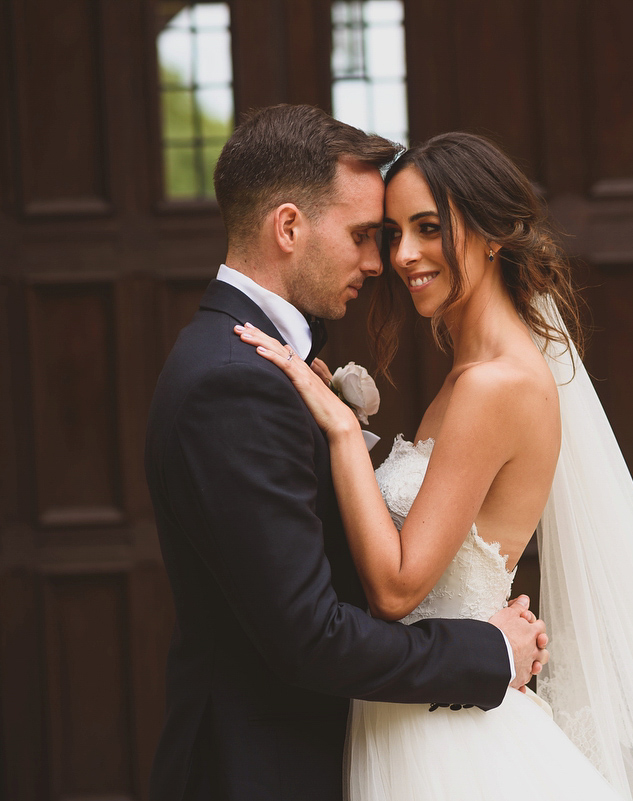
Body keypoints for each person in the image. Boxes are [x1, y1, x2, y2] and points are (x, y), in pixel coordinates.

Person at [239, 131, 633, 799]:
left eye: (429, 228)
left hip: (449, 739)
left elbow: (398, 588)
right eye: (391, 232)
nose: (404, 255)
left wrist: (347, 436)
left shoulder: (494, 385)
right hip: (415, 711)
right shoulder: (471, 374)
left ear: (491, 233)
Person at [144, 106, 548, 801]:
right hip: (263, 767)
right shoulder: (232, 382)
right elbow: (311, 634)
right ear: (290, 227)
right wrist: (487, 651)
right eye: (367, 235)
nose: (382, 261)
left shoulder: (248, 362)